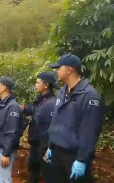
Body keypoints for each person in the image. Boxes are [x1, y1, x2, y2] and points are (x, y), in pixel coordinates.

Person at [43, 54, 104, 183]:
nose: (56, 71)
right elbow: (56, 121)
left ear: (69, 69)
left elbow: (90, 131)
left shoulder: (89, 96)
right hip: (57, 153)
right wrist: (51, 145)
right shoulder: (61, 92)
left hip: (74, 156)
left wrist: (82, 159)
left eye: (59, 68)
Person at [22, 72, 59, 183]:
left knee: (48, 174)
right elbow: (32, 109)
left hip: (45, 147)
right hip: (35, 145)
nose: (36, 85)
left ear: (46, 85)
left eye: (38, 83)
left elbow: (53, 127)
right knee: (33, 171)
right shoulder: (41, 101)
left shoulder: (52, 103)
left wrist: (49, 147)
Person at [0, 76, 23, 183]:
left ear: (3, 87)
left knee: (4, 180)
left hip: (4, 150)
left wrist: (6, 153)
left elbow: (12, 132)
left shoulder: (12, 107)